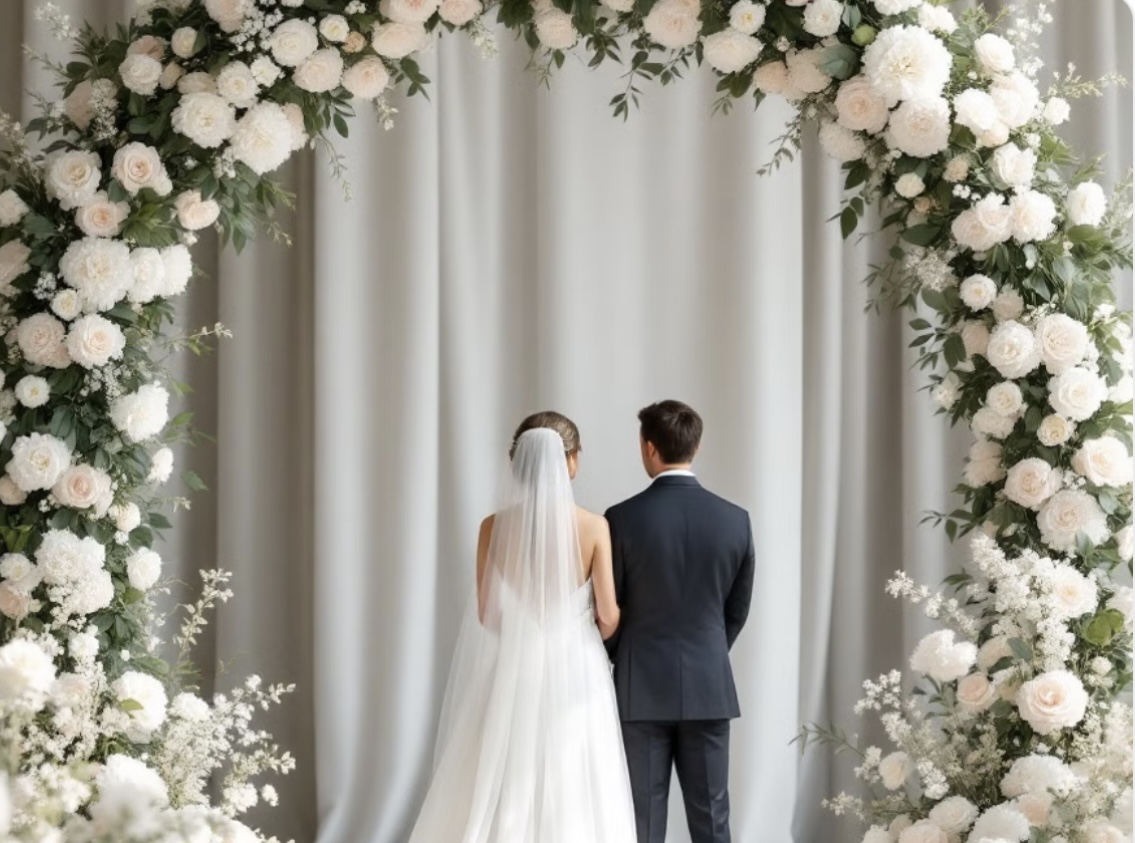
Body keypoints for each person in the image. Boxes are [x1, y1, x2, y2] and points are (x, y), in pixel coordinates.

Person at [407, 411, 637, 843]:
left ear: (517, 461)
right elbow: (608, 615)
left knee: (501, 768)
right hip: (578, 669)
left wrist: (524, 635)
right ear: (571, 461)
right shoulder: (593, 527)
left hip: (512, 668)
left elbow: (486, 614)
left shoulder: (492, 527)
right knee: (578, 775)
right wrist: (583, 631)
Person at [605, 400, 755, 843]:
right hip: (709, 686)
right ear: (697, 445)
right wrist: (706, 652)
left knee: (641, 820)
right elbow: (737, 610)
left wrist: (624, 655)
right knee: (712, 817)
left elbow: (609, 606)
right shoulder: (736, 520)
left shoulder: (621, 518)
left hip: (639, 689)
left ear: (648, 447)